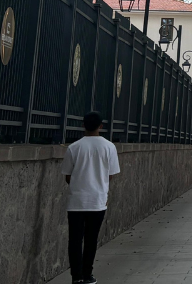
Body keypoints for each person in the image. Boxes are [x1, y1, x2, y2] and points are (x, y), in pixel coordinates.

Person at [62, 111, 120, 284]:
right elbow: (110, 175)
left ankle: (76, 277)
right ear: (101, 126)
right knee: (91, 239)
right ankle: (88, 274)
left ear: (83, 125)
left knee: (75, 240)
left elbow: (67, 175)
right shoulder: (109, 147)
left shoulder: (74, 147)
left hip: (76, 201)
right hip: (98, 201)